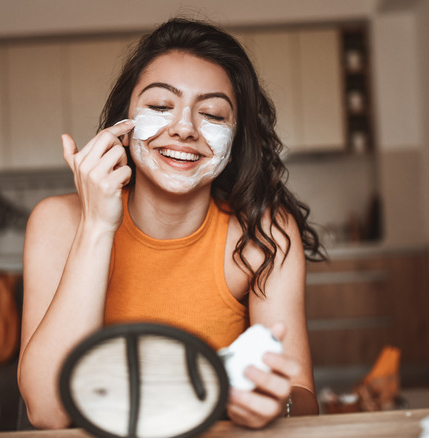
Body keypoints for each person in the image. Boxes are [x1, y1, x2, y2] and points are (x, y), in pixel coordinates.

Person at [17, 17, 325, 430]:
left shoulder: (263, 233)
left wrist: (276, 404)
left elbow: (302, 397)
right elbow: (48, 411)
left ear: (235, 140)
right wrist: (96, 227)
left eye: (212, 114)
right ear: (123, 125)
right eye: (161, 106)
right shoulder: (58, 222)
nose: (183, 128)